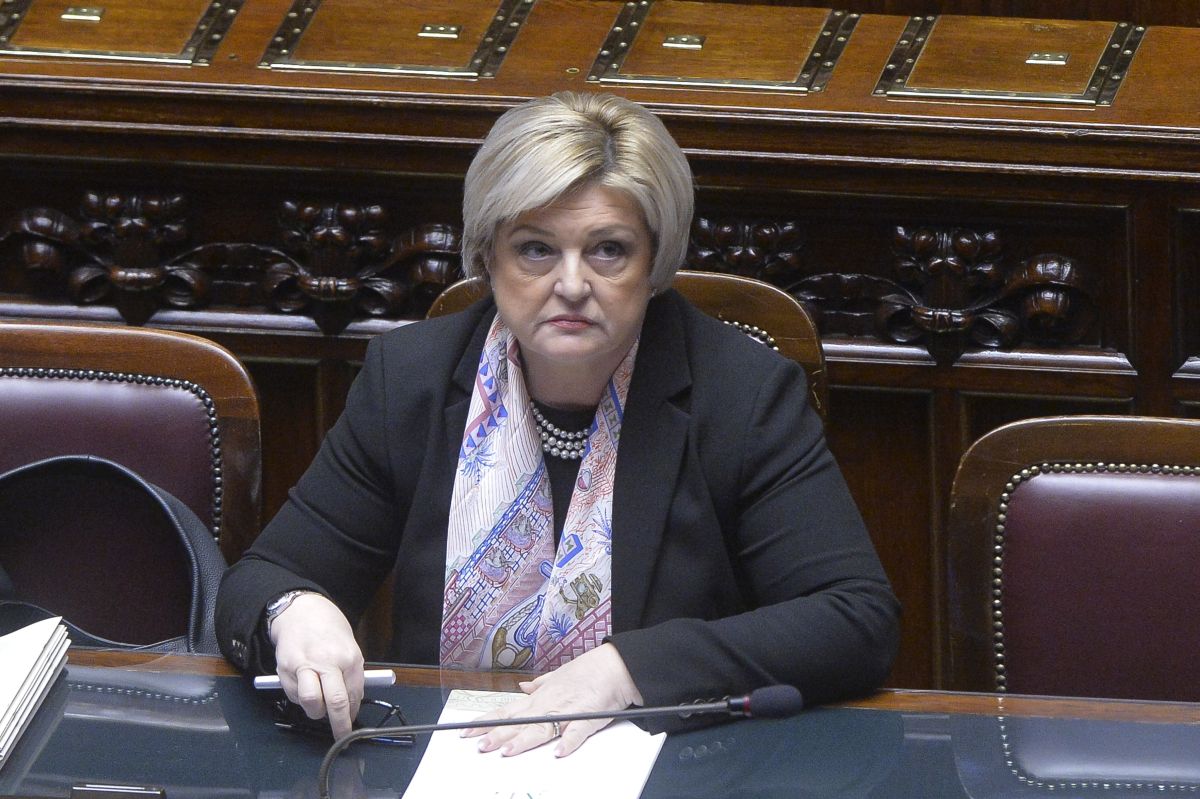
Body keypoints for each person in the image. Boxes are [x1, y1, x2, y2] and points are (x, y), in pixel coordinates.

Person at [215, 91, 900, 757]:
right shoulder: (412, 379)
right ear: (488, 256)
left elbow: (855, 618)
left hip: (668, 763)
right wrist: (293, 610)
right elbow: (264, 577)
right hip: (446, 759)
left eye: (608, 250)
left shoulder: (741, 394)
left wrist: (626, 669)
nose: (571, 284)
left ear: (655, 262)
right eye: (536, 249)